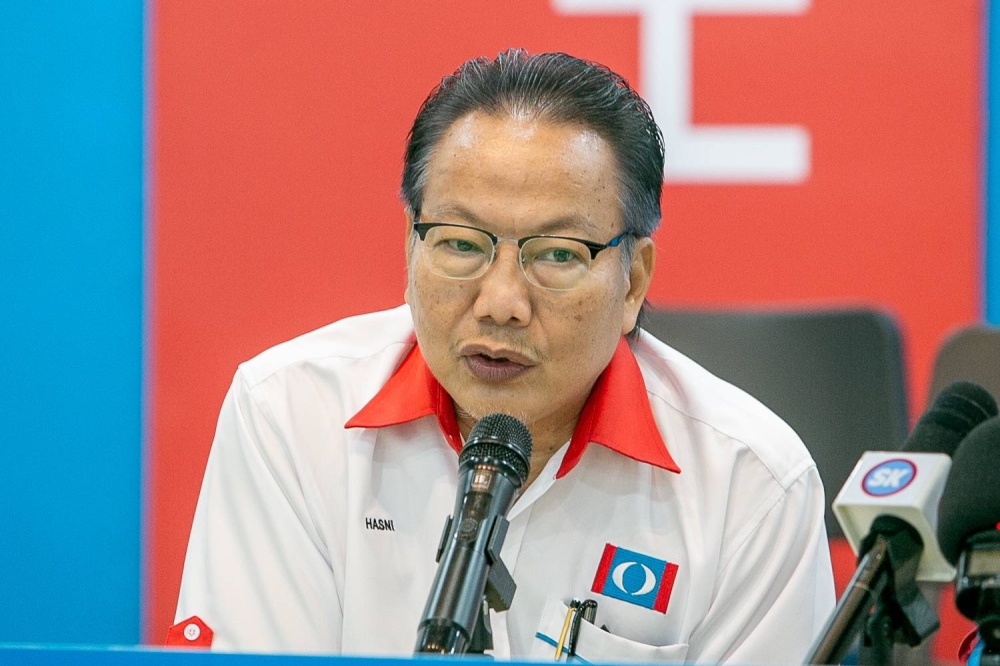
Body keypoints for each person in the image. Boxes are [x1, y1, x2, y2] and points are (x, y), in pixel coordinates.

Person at [171, 49, 835, 663]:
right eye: (461, 244)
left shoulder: (752, 488)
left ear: (632, 281)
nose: (501, 302)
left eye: (556, 255)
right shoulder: (290, 414)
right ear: (410, 244)